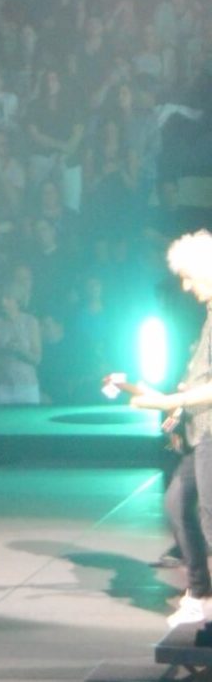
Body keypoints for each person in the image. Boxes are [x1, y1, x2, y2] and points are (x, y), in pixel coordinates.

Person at [131, 230, 212, 626]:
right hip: (200, 430)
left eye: (190, 276)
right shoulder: (209, 318)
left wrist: (170, 402)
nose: (185, 285)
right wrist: (176, 401)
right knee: (179, 502)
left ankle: (203, 594)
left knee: (208, 514)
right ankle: (200, 593)